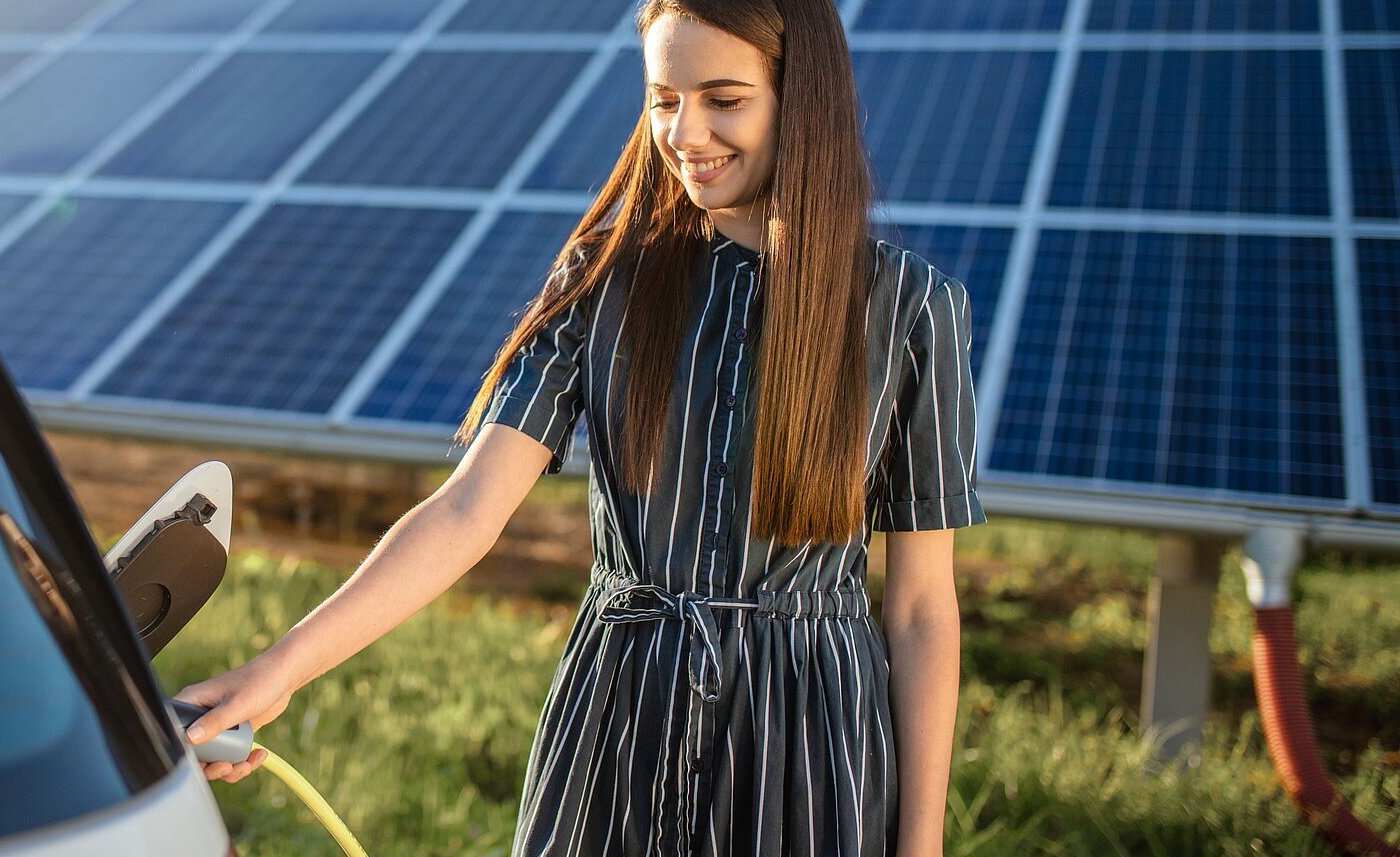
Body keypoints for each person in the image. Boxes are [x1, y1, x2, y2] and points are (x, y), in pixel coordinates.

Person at [173, 0, 985, 853]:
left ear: (800, 96)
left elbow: (923, 608)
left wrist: (919, 840)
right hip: (619, 720)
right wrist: (280, 671)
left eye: (724, 98)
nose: (686, 132)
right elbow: (466, 511)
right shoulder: (605, 281)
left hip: (811, 744)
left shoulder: (912, 309)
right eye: (663, 99)